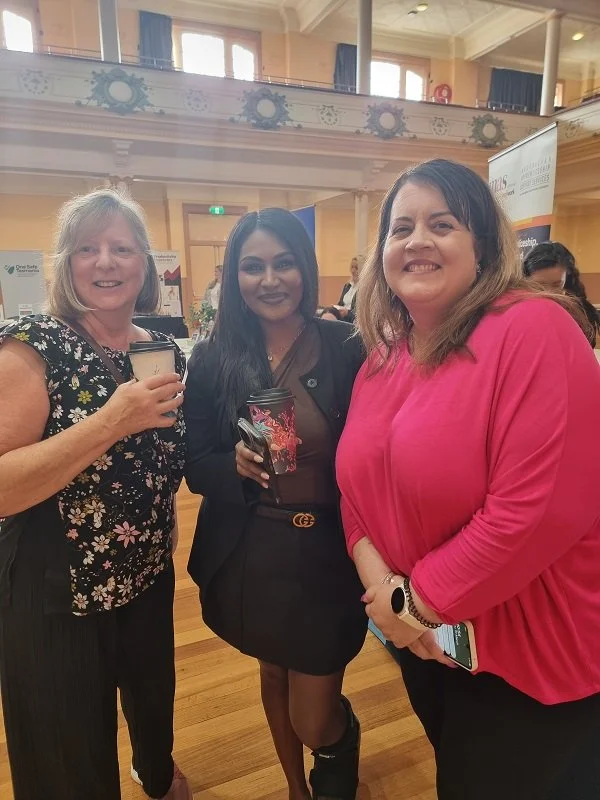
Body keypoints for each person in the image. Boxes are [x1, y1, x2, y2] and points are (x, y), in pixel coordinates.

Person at [336, 159, 600, 800]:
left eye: (442, 223)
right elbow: (353, 487)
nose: (417, 240)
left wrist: (411, 605)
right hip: (433, 642)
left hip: (529, 648)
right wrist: (393, 602)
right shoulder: (384, 357)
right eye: (401, 228)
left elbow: (534, 514)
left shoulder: (533, 328)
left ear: (482, 245)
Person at [0, 189, 191, 800]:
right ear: (66, 264)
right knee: (67, 750)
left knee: (152, 701)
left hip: (144, 573)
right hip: (57, 587)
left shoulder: (155, 346)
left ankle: (154, 772)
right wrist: (113, 420)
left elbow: (163, 453)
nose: (105, 262)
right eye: (88, 249)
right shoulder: (33, 343)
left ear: (146, 265)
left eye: (122, 248)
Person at [184, 208, 367, 800]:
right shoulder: (213, 357)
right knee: (271, 669)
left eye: (284, 263)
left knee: (314, 711)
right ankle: (296, 788)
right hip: (252, 547)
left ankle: (336, 750)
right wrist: (232, 467)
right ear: (233, 277)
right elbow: (196, 462)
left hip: (327, 551)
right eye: (253, 266)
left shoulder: (347, 343)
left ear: (306, 269)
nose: (270, 279)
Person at [524, 240, 600, 346]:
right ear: (525, 279)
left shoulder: (578, 311)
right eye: (540, 285)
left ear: (566, 279)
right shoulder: (518, 308)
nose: (548, 293)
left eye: (556, 285)